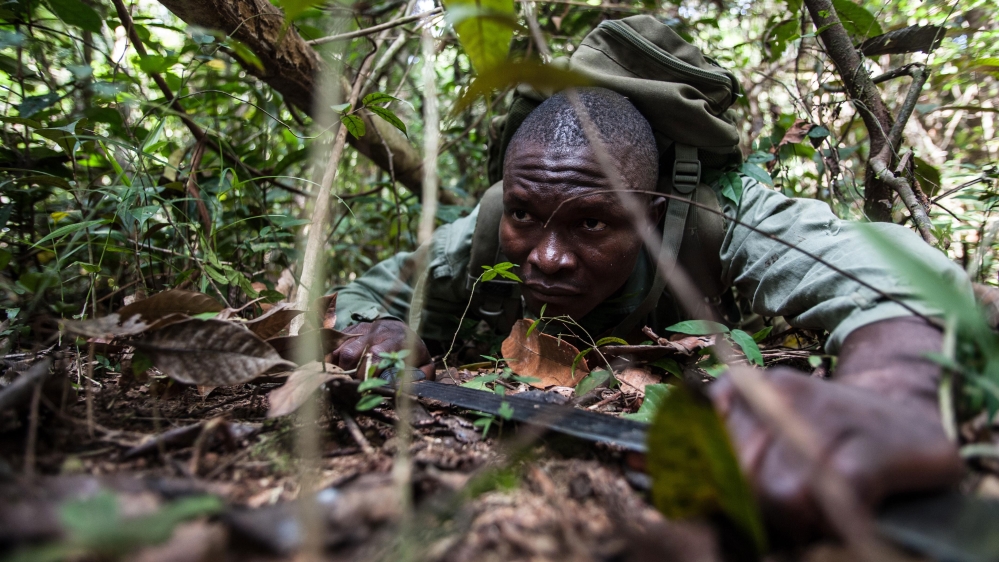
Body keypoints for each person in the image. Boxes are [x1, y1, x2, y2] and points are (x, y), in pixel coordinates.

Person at [326, 86, 965, 538]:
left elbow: (891, 275)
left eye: (592, 222)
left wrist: (890, 392)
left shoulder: (720, 219)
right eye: (525, 215)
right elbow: (371, 296)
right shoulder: (492, 223)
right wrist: (378, 331)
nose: (547, 257)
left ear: (651, 216)